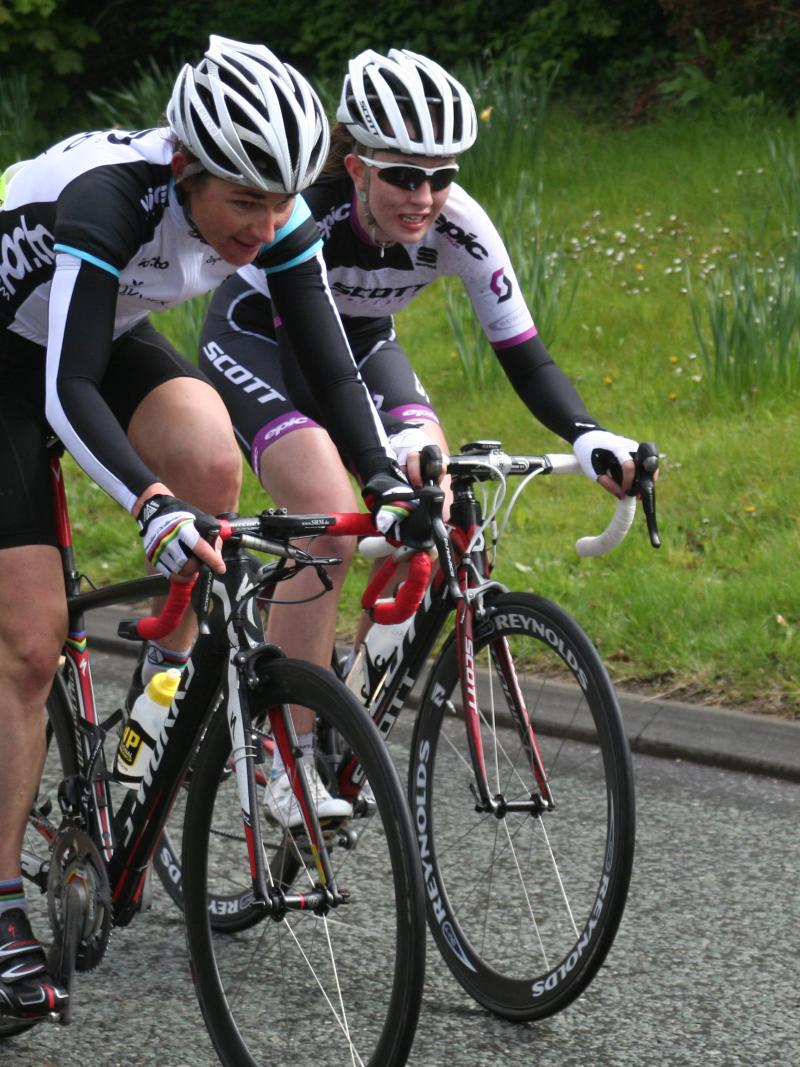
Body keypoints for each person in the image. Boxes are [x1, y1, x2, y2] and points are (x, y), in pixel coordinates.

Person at [0, 36, 414, 1021]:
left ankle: (157, 692)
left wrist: (387, 478)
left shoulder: (267, 209)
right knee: (25, 639)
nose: (267, 226)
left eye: (283, 202)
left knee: (213, 463)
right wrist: (148, 507)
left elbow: (327, 356)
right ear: (186, 172)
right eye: (245, 205)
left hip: (88, 329)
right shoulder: (107, 198)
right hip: (13, 359)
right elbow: (65, 392)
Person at [199, 48, 644, 823]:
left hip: (363, 344)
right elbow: (315, 376)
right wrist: (378, 469)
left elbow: (524, 354)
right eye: (404, 175)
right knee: (329, 512)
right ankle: (284, 746)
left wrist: (588, 435)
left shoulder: (462, 225)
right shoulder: (306, 217)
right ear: (356, 167)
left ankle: (350, 685)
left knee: (430, 493)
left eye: (443, 175)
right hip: (264, 345)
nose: (426, 196)